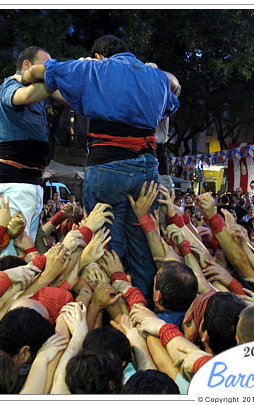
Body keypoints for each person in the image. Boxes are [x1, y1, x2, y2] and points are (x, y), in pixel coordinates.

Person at [22, 34, 180, 298]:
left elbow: (39, 71)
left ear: (98, 55)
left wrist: (26, 76)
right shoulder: (157, 78)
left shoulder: (94, 68)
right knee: (143, 246)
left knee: (106, 246)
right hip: (147, 169)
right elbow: (173, 96)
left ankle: (112, 313)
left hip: (108, 167)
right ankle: (143, 310)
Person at [0, 46, 66, 250]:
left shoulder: (39, 92)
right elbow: (23, 97)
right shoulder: (9, 87)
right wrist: (57, 77)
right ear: (27, 65)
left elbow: (66, 96)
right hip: (14, 182)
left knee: (26, 247)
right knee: (12, 251)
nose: (48, 71)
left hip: (29, 182)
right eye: (45, 66)